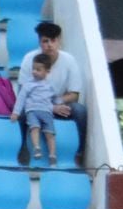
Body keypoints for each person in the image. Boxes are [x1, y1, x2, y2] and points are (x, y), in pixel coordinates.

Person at [17, 22, 85, 165]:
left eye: (53, 40)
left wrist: (55, 104)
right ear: (39, 42)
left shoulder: (69, 61)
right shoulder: (29, 59)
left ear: (58, 41)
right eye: (45, 41)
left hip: (59, 104)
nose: (49, 45)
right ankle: (22, 151)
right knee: (21, 112)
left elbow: (74, 94)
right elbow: (23, 93)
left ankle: (79, 152)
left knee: (79, 110)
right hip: (34, 106)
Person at [10, 53, 59, 165]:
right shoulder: (28, 84)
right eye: (33, 69)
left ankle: (52, 154)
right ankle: (36, 147)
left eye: (38, 69)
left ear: (47, 71)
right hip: (32, 110)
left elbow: (55, 98)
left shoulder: (50, 85)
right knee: (34, 128)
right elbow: (21, 98)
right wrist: (16, 112)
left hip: (46, 111)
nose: (34, 72)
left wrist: (60, 104)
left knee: (50, 133)